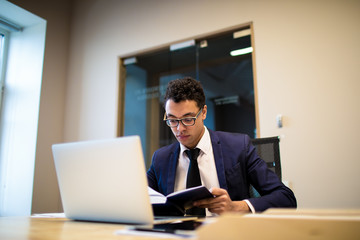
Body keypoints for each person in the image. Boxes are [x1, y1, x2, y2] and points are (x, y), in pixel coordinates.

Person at [147, 77, 296, 215]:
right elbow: (141, 198)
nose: (179, 129)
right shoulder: (161, 158)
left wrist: (236, 207)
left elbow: (286, 198)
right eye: (172, 120)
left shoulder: (238, 147)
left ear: (203, 112)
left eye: (188, 119)